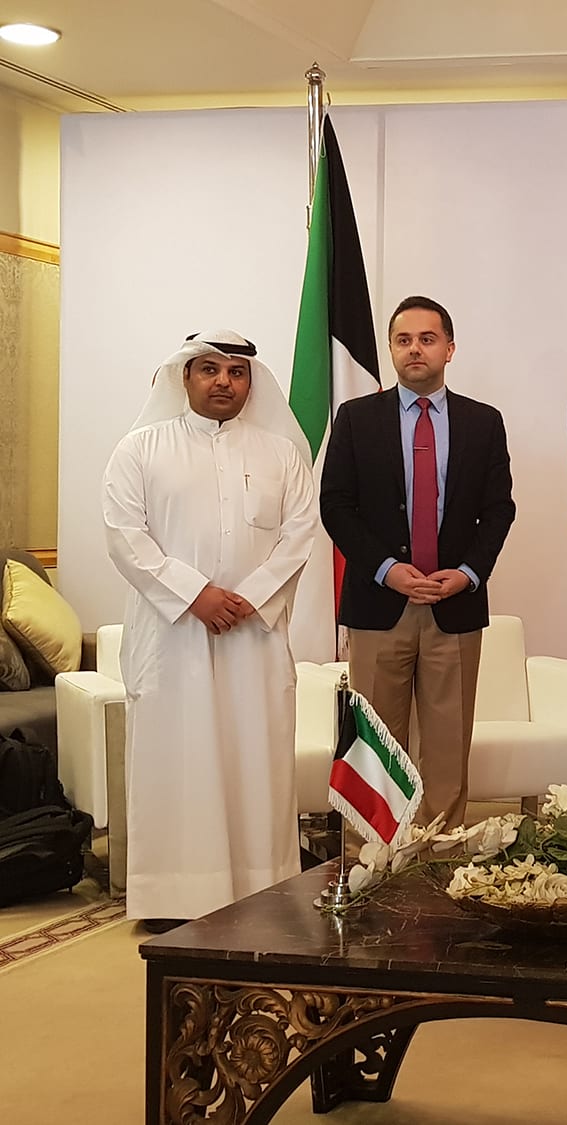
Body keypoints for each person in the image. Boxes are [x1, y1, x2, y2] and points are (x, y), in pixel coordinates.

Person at [102, 331, 318, 932]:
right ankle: (173, 897)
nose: (224, 381)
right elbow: (124, 535)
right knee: (177, 760)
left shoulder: (282, 454)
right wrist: (194, 594)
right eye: (209, 369)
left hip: (254, 638)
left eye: (236, 371)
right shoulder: (140, 449)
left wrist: (250, 596)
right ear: (185, 376)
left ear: (251, 381)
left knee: (255, 758)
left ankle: (262, 892)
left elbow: (300, 532)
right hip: (171, 639)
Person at [321, 296, 516, 830]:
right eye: (403, 340)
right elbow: (335, 505)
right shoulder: (356, 419)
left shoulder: (483, 422)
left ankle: (440, 854)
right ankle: (375, 856)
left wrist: (468, 573)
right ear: (390, 349)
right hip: (378, 604)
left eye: (427, 339)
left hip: (455, 606)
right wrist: (386, 568)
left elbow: (499, 509)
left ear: (449, 349)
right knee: (376, 745)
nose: (415, 349)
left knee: (448, 746)